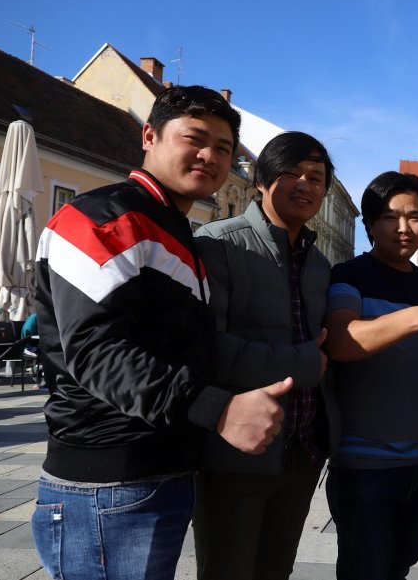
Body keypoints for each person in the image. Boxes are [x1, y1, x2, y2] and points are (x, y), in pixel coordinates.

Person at [31, 85, 291, 580]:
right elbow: (94, 351)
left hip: (153, 475)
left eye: (223, 148)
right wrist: (219, 409)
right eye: (195, 138)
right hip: (107, 485)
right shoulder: (104, 217)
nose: (210, 155)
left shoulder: (172, 228)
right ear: (149, 136)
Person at [191, 132, 335, 580]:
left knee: (276, 571)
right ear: (261, 179)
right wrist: (303, 363)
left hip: (300, 452)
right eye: (290, 173)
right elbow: (204, 349)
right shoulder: (219, 244)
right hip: (235, 455)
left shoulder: (319, 263)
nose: (304, 184)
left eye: (315, 177)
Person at [324, 171, 418, 580]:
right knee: (366, 570)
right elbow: (342, 341)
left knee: (400, 565)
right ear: (369, 224)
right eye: (390, 217)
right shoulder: (350, 276)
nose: (404, 228)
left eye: (416, 216)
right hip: (364, 466)